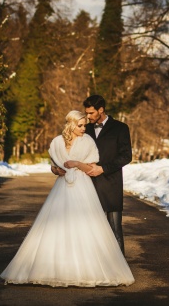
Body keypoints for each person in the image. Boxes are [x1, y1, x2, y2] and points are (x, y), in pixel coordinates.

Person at [0, 110, 134, 287]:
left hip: (82, 187)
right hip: (62, 187)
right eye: (80, 125)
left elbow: (92, 169)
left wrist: (78, 164)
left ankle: (87, 268)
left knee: (85, 226)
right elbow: (54, 166)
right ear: (71, 125)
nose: (83, 128)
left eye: (84, 125)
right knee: (55, 225)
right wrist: (56, 170)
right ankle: (51, 267)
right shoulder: (57, 142)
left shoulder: (88, 142)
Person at [53, 95, 132, 254]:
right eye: (86, 113)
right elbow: (68, 152)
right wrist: (55, 168)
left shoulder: (120, 128)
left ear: (101, 110)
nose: (87, 117)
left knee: (114, 229)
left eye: (91, 113)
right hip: (86, 186)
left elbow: (126, 156)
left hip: (110, 185)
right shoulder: (84, 129)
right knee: (89, 230)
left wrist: (102, 169)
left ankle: (118, 269)